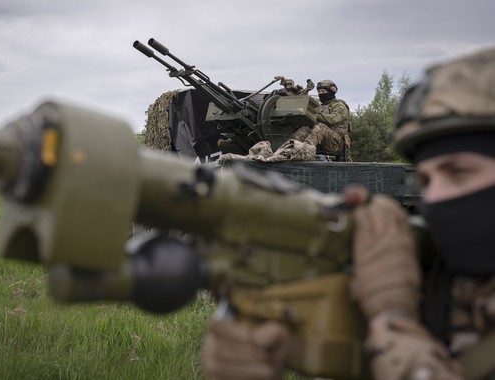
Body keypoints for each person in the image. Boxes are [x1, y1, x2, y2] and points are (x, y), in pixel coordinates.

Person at [202, 47, 495, 380]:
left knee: (309, 132)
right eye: (426, 180)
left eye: (459, 172)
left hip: (333, 142)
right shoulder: (453, 293)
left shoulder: (336, 108)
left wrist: (390, 317)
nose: (435, 197)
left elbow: (326, 122)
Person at [290, 79, 351, 161]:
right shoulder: (320, 107)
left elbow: (333, 119)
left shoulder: (339, 106)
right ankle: (290, 149)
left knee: (321, 127)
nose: (320, 94)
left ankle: (304, 151)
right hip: (320, 142)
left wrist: (314, 115)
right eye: (319, 92)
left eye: (323, 91)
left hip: (335, 144)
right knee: (305, 129)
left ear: (331, 91)